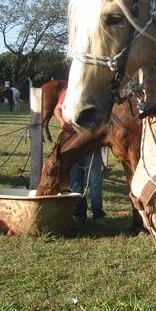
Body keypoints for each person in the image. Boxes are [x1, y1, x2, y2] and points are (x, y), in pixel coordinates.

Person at [54, 92, 106, 224]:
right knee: (76, 182)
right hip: (73, 145)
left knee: (95, 181)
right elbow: (57, 108)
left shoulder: (94, 92)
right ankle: (79, 213)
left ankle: (98, 214)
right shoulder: (68, 92)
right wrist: (62, 122)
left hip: (91, 145)